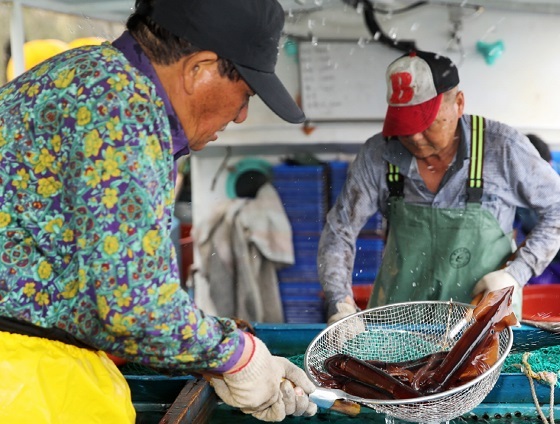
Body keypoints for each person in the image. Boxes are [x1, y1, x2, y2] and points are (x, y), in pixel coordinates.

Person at [0, 0, 317, 422]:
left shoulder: (88, 76)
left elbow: (88, 285)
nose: (241, 116)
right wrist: (236, 356)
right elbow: (131, 305)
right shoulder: (121, 106)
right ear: (198, 68)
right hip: (20, 382)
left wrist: (207, 355)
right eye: (246, 94)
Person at [318, 50, 560, 325]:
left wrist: (516, 273)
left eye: (426, 124)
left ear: (458, 103)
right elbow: (339, 231)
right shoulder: (378, 154)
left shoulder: (502, 148)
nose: (414, 138)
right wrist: (340, 302)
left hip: (483, 320)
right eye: (404, 126)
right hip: (399, 322)